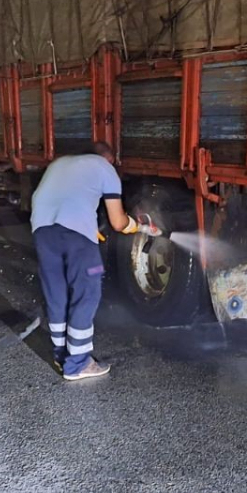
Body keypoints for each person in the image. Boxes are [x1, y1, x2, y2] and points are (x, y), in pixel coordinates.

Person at [30, 142, 156, 380]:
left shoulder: (59, 163)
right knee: (86, 293)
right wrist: (138, 227)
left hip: (42, 232)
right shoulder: (104, 168)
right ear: (109, 159)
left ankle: (61, 355)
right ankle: (78, 364)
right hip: (77, 237)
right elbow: (118, 222)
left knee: (57, 294)